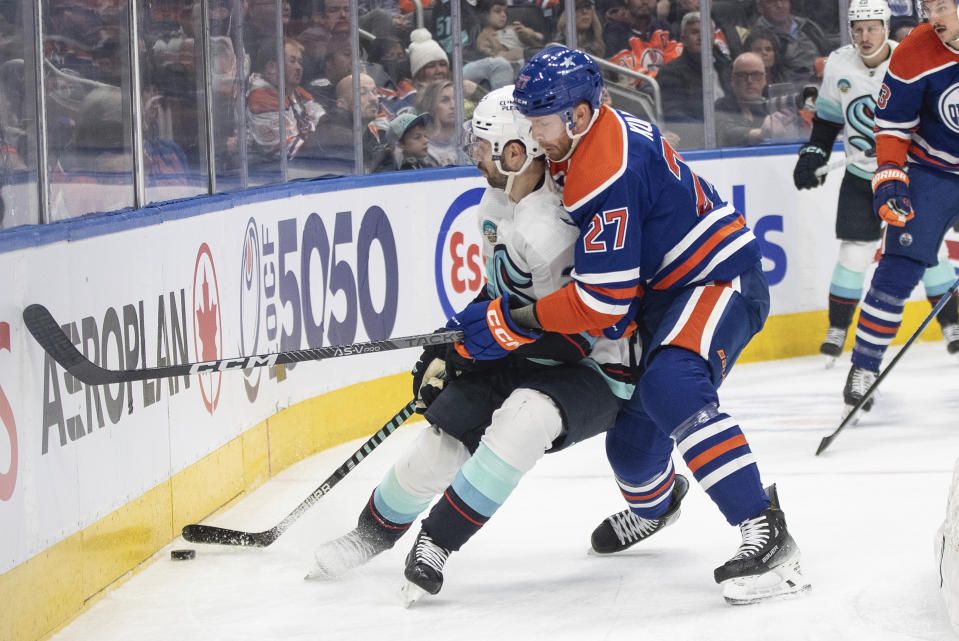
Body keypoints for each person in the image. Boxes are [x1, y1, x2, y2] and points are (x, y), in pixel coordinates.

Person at [446, 46, 811, 604]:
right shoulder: (583, 136)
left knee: (672, 385)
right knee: (632, 452)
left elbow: (604, 303)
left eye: (541, 119)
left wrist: (514, 321)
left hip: (713, 280)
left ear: (581, 116)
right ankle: (660, 505)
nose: (532, 130)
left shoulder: (602, 168)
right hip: (660, 297)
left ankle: (765, 528)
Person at [307, 86, 636, 605]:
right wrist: (447, 344)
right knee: (443, 437)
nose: (472, 153)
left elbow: (575, 333)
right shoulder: (497, 203)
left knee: (521, 421)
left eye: (482, 144)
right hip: (527, 349)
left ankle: (436, 543)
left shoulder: (554, 227)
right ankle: (368, 535)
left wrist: (476, 348)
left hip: (593, 367)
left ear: (516, 150)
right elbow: (499, 293)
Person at [792, 0, 959, 373]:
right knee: (863, 254)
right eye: (858, 28)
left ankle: (951, 325)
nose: (865, 36)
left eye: (873, 27)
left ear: (885, 27)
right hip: (877, 175)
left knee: (933, 255)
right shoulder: (841, 64)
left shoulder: (906, 54)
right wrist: (816, 152)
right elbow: (834, 120)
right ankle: (843, 338)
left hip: (906, 170)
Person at [836, 0, 959, 417]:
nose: (932, 17)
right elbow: (891, 125)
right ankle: (864, 367)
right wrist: (890, 175)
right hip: (933, 170)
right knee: (898, 267)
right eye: (927, 7)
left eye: (942, 6)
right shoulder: (914, 50)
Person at [655, 12, 731, 149]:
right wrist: (710, 132)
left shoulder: (727, 67)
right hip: (697, 143)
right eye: (695, 32)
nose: (701, 37)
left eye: (706, 32)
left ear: (714, 37)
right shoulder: (671, 72)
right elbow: (674, 116)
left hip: (730, 135)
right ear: (683, 39)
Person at [247, 37, 325, 160]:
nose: (299, 67)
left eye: (300, 62)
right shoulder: (261, 99)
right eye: (292, 61)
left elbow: (322, 119)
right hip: (269, 172)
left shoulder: (295, 92)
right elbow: (287, 151)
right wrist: (327, 140)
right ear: (272, 67)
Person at [749, 0, 830, 84]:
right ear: (760, 7)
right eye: (772, 1)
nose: (779, 5)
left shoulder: (807, 26)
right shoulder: (758, 38)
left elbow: (827, 52)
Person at [715, 52, 770, 146]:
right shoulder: (721, 106)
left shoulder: (769, 105)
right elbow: (726, 133)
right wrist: (762, 133)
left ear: (765, 79)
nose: (750, 81)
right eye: (742, 75)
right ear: (733, 80)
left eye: (756, 75)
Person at [476, 0, 545, 66]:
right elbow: (490, 61)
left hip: (535, 58)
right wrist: (514, 54)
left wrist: (527, 33)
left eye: (505, 11)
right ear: (485, 15)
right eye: (497, 11)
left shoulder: (514, 28)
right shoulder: (484, 39)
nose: (503, 15)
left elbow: (540, 38)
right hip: (515, 66)